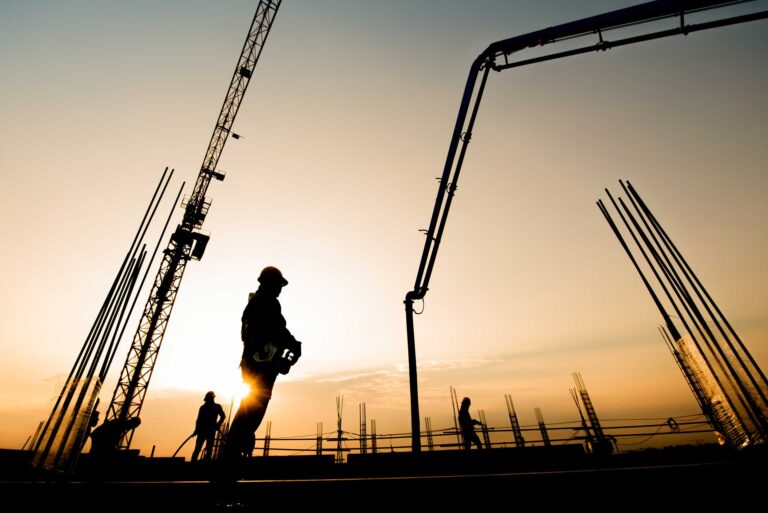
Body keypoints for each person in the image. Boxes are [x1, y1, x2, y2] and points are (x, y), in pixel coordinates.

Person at [221, 266, 302, 461]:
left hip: (254, 362)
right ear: (267, 283)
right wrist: (293, 344)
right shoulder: (267, 303)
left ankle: (233, 451)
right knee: (254, 407)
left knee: (251, 406)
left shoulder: (255, 303)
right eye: (277, 284)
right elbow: (277, 329)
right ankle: (231, 452)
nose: (280, 289)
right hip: (260, 363)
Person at [191, 391, 226, 462]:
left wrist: (217, 425)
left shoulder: (213, 407)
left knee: (207, 448)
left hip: (207, 430)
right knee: (200, 448)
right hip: (204, 430)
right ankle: (194, 462)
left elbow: (222, 416)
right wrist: (196, 430)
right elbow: (199, 420)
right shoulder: (204, 407)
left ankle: (202, 462)